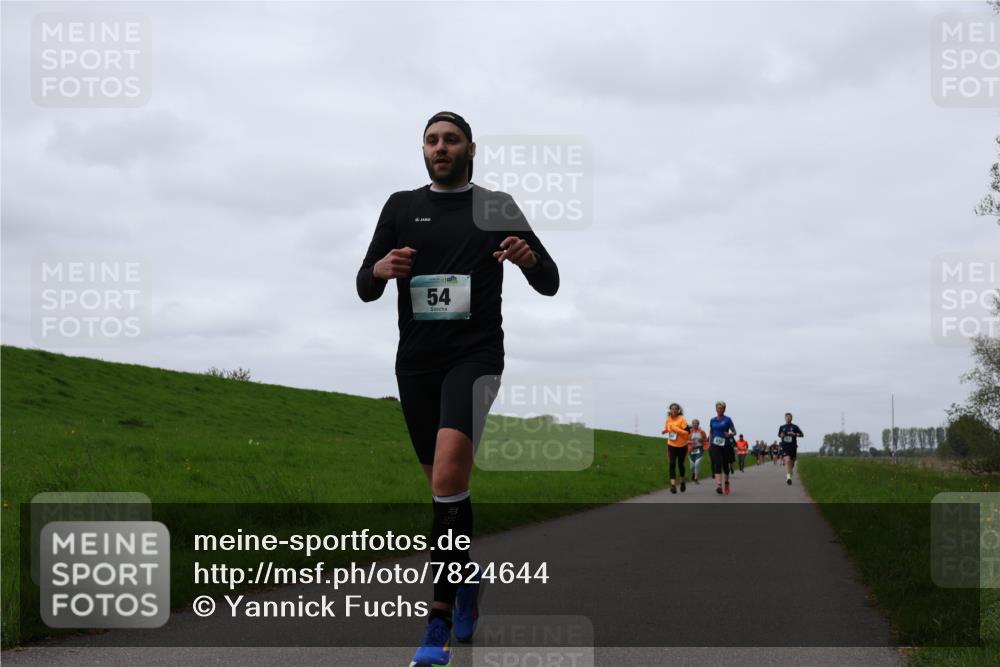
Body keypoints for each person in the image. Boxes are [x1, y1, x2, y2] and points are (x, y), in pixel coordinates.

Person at [357, 111, 559, 667]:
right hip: (416, 363)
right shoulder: (400, 206)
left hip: (475, 358)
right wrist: (379, 269)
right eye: (432, 140)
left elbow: (550, 281)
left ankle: (437, 622)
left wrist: (527, 257)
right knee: (443, 494)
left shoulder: (497, 206)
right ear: (423, 150)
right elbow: (364, 289)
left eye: (450, 139)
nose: (440, 147)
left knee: (449, 474)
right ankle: (466, 579)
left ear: (471, 148)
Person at [661, 403, 691, 493]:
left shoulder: (682, 419)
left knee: (681, 465)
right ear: (670, 410)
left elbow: (687, 432)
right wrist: (665, 431)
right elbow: (668, 428)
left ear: (678, 410)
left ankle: (682, 481)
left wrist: (675, 429)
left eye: (675, 409)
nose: (673, 410)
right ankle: (673, 485)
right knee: (672, 464)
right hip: (671, 445)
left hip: (682, 446)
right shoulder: (668, 420)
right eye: (672, 409)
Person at [708, 401, 737, 495]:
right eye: (718, 408)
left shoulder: (728, 419)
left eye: (721, 408)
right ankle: (719, 485)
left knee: (725, 465)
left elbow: (734, 432)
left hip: (726, 445)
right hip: (715, 445)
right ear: (716, 409)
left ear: (724, 409)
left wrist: (730, 434)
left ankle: (726, 483)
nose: (720, 410)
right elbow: (711, 431)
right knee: (717, 463)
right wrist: (710, 442)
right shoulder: (712, 420)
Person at [778, 412, 805, 485]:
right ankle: (788, 477)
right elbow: (779, 435)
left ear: (791, 418)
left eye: (789, 417)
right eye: (787, 417)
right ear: (785, 418)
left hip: (793, 447)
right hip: (785, 447)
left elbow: (802, 435)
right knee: (787, 461)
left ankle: (790, 473)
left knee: (792, 464)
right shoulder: (782, 427)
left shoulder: (795, 427)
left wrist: (795, 434)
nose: (788, 418)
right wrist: (782, 435)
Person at [688, 418, 708, 484]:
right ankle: (694, 473)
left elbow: (706, 440)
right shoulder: (689, 432)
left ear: (698, 424)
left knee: (697, 463)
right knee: (692, 466)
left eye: (696, 423)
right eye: (693, 423)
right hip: (691, 449)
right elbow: (685, 440)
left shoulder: (702, 432)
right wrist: (691, 442)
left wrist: (702, 441)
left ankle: (696, 477)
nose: (694, 425)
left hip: (699, 449)